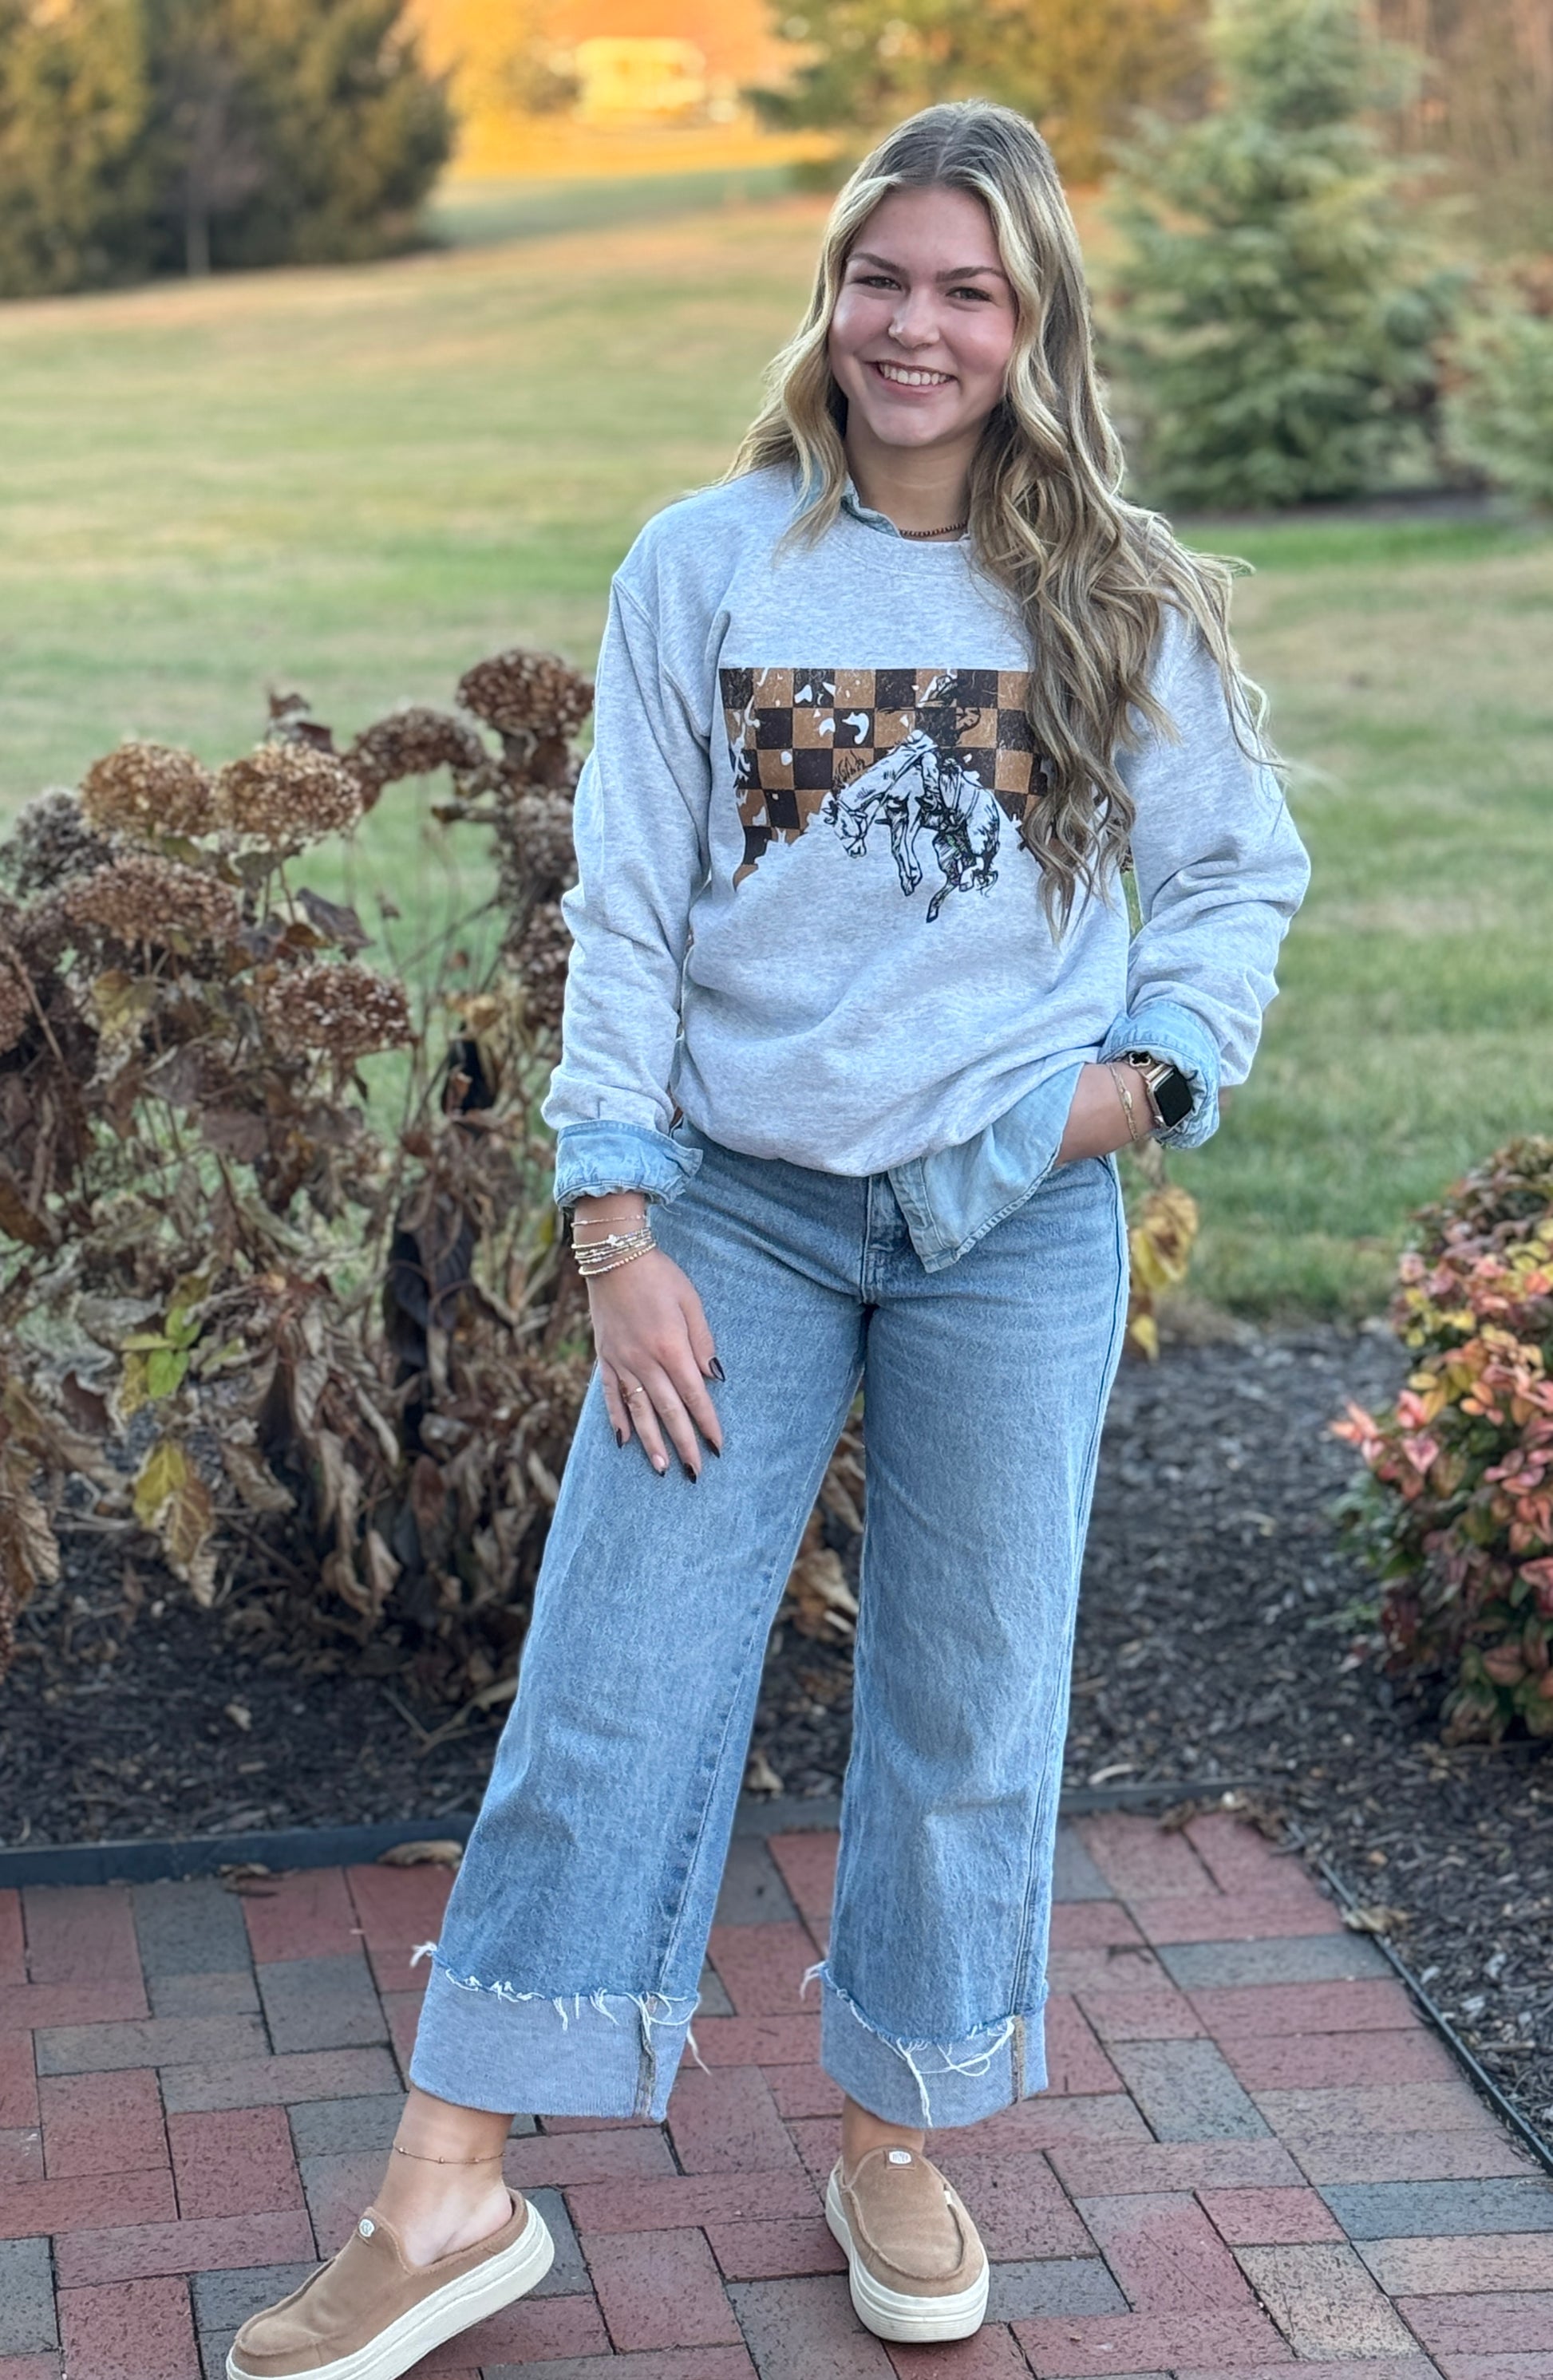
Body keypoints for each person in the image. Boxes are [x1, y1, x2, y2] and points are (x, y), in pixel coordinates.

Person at [228, 97, 1310, 2379]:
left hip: (1013, 1223)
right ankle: (445, 2192)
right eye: (879, 278)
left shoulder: (1112, 587)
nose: (914, 329)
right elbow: (625, 914)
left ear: (1032, 325)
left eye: (967, 292)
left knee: (965, 1699)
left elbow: (1233, 872)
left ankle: (896, 2131)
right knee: (615, 1678)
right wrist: (614, 1221)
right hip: (739, 1216)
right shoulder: (705, 568)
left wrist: (1127, 1090)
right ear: (829, 295)